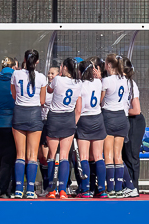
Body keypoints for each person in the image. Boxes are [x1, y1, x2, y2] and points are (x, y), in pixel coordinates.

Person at [10, 49, 47, 199]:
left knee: (20, 154)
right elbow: (42, 101)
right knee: (32, 155)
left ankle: (19, 189)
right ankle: (30, 190)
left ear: (24, 59)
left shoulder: (16, 74)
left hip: (19, 113)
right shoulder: (42, 77)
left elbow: (14, 95)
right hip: (34, 114)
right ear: (37, 61)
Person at [44, 58, 82, 198]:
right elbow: (78, 106)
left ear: (65, 68)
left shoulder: (58, 80)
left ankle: (52, 190)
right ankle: (63, 190)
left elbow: (49, 90)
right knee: (65, 156)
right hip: (68, 118)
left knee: (52, 155)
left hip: (55, 117)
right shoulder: (79, 83)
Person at [75, 58, 107, 198]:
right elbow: (101, 98)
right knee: (99, 156)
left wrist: (73, 124)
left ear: (81, 71)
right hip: (97, 119)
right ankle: (101, 189)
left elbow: (79, 108)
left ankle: (85, 189)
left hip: (84, 120)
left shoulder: (79, 85)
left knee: (84, 156)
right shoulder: (99, 82)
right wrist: (99, 76)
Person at [101, 54, 129, 197]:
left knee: (109, 154)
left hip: (109, 116)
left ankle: (110, 188)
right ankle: (119, 188)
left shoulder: (106, 81)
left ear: (109, 65)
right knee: (118, 154)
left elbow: (101, 101)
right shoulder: (125, 80)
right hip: (121, 117)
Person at [0, 56, 17, 198]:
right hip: (11, 123)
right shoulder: (16, 82)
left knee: (1, 158)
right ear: (13, 68)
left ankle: (6, 189)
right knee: (9, 157)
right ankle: (1, 189)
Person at [122, 57, 144, 198]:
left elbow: (136, 110)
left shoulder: (130, 84)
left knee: (131, 156)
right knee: (124, 155)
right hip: (124, 121)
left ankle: (133, 187)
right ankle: (127, 186)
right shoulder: (117, 82)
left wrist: (120, 109)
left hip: (134, 121)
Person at [38, 65, 59, 194]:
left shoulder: (58, 89)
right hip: (42, 121)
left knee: (49, 155)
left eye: (53, 74)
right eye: (49, 74)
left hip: (51, 122)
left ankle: (53, 185)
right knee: (41, 156)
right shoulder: (46, 87)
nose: (50, 76)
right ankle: (46, 185)